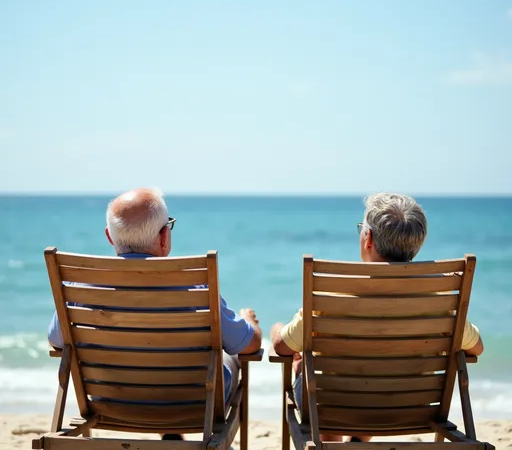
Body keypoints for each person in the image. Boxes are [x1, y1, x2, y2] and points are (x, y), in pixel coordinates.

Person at [48, 187, 262, 440]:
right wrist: (248, 321)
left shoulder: (80, 288)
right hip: (194, 407)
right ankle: (172, 428)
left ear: (109, 236)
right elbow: (249, 346)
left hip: (111, 403)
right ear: (163, 237)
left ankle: (170, 434)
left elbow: (56, 341)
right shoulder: (195, 286)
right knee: (229, 357)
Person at [270, 192, 483, 443]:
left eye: (362, 228)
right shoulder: (444, 299)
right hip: (410, 407)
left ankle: (332, 443)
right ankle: (358, 442)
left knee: (309, 373)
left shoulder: (331, 292)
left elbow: (282, 347)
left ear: (367, 238)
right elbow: (476, 347)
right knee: (378, 382)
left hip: (335, 407)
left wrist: (277, 329)